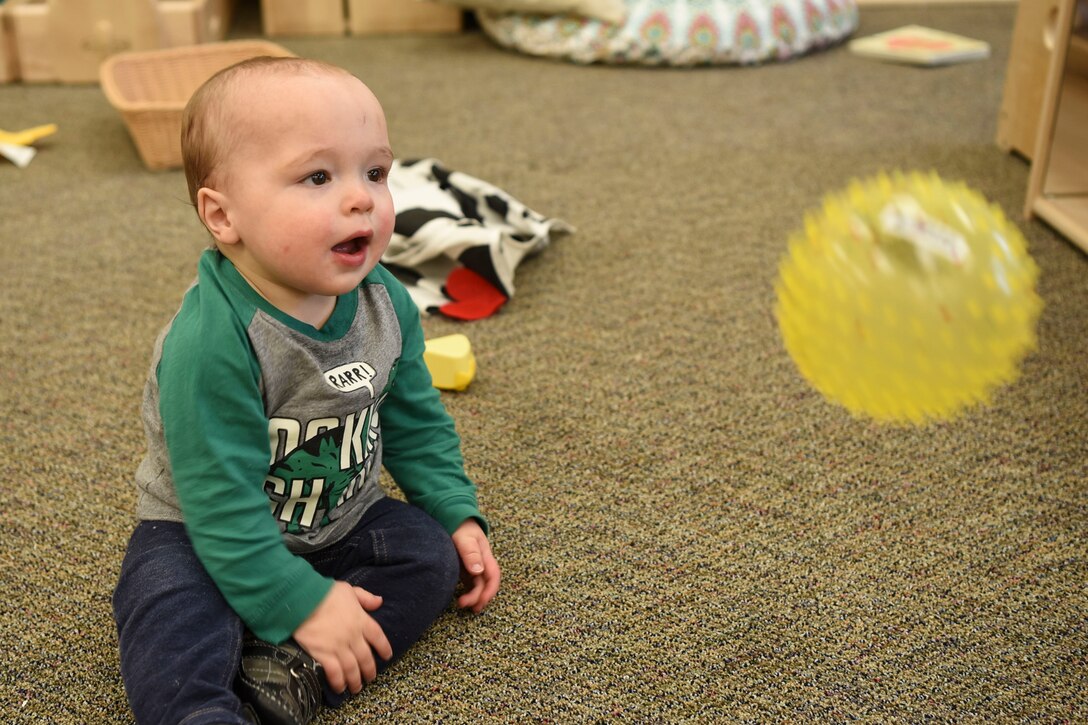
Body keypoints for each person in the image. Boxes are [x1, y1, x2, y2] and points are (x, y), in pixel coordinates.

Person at [112, 56, 501, 725]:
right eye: (318, 176)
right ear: (223, 214)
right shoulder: (213, 340)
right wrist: (300, 602)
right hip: (205, 532)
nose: (360, 198)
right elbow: (222, 506)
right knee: (167, 609)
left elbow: (416, 421)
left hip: (340, 518)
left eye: (374, 172)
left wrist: (455, 510)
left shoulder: (388, 305)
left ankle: (291, 672)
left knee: (428, 556)